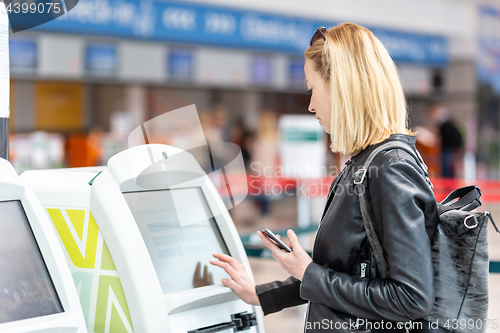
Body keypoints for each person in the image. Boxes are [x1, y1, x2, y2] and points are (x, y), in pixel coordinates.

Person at [210, 23, 439, 332]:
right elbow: (345, 272)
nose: (310, 104)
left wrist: (309, 274)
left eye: (312, 89)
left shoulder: (389, 167)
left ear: (342, 87)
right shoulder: (364, 162)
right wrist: (260, 294)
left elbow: (411, 298)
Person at [428, 103, 463, 178]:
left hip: (449, 147)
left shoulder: (445, 124)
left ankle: (447, 181)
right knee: (448, 166)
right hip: (450, 146)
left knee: (447, 166)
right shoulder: (448, 124)